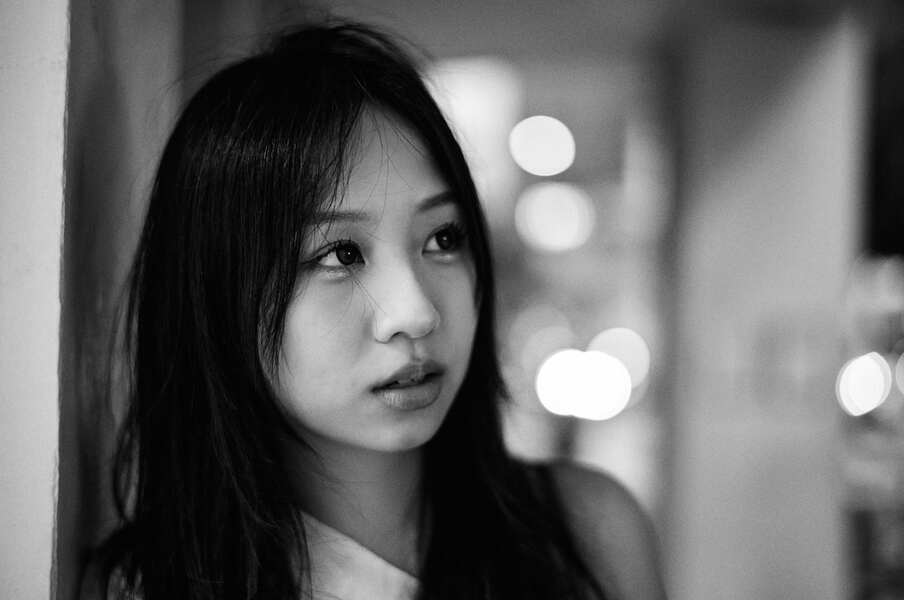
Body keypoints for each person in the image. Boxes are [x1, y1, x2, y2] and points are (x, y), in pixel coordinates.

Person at [86, 20, 666, 600]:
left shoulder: (588, 535)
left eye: (443, 238)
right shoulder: (146, 587)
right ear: (218, 292)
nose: (416, 313)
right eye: (341, 253)